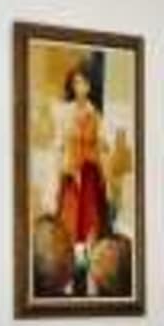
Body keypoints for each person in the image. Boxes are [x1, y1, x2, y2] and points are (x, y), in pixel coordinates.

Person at [53, 60, 112, 262]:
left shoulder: (95, 114)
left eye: (84, 83)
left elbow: (103, 145)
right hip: (70, 171)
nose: (80, 87)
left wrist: (103, 171)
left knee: (90, 218)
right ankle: (71, 263)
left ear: (89, 86)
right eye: (76, 83)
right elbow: (59, 145)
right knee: (70, 218)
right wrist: (62, 171)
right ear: (72, 85)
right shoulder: (64, 112)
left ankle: (86, 263)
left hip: (90, 171)